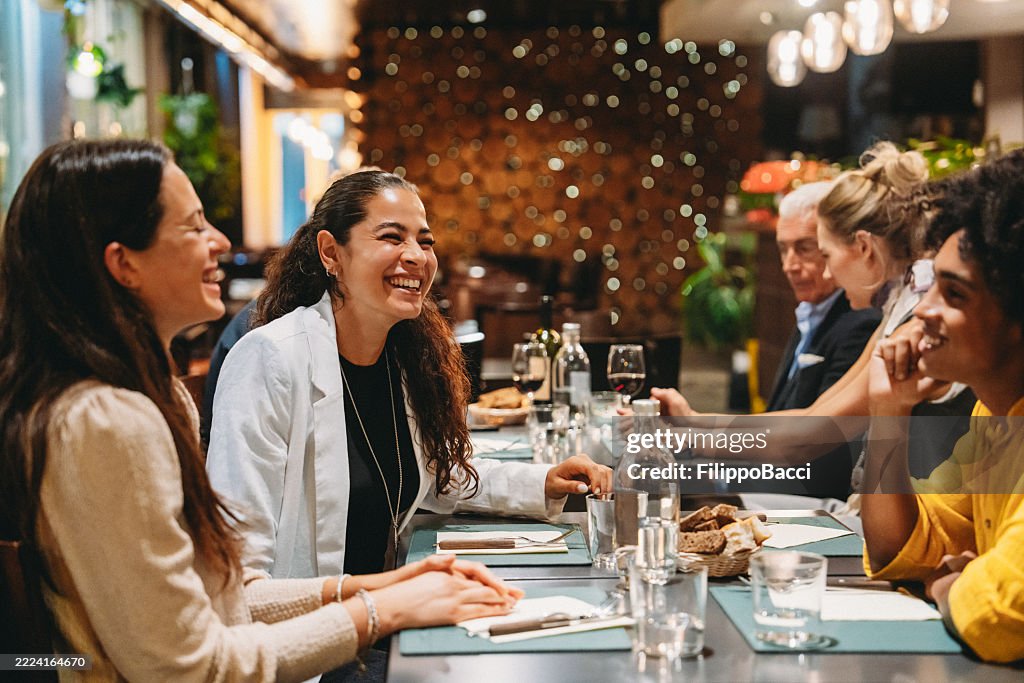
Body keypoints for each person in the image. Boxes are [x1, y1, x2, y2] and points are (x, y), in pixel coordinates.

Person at [0, 140, 520, 680]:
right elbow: (189, 667)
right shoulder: (104, 422)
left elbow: (223, 602)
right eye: (195, 225)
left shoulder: (155, 397)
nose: (220, 241)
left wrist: (376, 586)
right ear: (124, 263)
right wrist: (378, 612)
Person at [207, 170, 612, 578]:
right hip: (313, 628)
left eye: (425, 241)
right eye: (391, 237)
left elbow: (436, 476)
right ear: (331, 252)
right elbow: (238, 570)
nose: (417, 256)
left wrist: (543, 481)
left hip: (382, 612)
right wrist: (384, 603)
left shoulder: (400, 356)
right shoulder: (269, 360)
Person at [651, 143, 973, 511]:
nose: (826, 271)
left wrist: (690, 437)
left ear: (865, 247)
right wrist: (692, 422)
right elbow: (811, 418)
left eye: (826, 254)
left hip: (919, 520)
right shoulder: (896, 310)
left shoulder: (913, 319)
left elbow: (808, 440)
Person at [861, 149, 1024, 663]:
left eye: (953, 294)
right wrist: (888, 412)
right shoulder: (994, 420)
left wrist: (947, 585)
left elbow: (1000, 613)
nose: (924, 309)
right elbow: (899, 545)